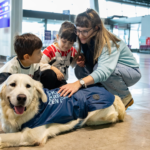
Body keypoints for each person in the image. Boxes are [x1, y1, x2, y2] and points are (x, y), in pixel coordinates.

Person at [58, 9, 141, 110]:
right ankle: (101, 93)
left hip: (130, 72)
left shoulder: (107, 42)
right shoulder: (86, 39)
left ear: (96, 28)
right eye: (78, 30)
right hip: (112, 70)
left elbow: (104, 71)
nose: (80, 35)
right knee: (80, 69)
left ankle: (124, 97)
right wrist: (83, 58)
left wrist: (78, 83)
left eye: (84, 31)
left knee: (99, 69)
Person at [40, 21, 77, 90]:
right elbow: (40, 65)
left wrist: (80, 60)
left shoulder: (73, 51)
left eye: (70, 43)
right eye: (64, 41)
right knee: (49, 74)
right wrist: (54, 69)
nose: (66, 45)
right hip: (47, 80)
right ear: (58, 37)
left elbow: (74, 65)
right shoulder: (49, 50)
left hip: (61, 80)